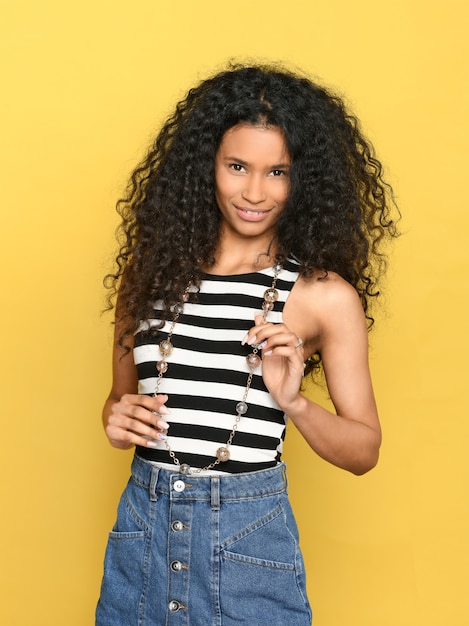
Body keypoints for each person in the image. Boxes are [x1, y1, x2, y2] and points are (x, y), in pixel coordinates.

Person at [96, 63, 398, 625]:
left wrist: (295, 402)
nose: (255, 192)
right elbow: (118, 406)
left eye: (277, 172)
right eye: (237, 166)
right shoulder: (150, 274)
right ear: (205, 165)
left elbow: (364, 451)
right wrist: (116, 421)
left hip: (245, 537)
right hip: (142, 528)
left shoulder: (321, 295)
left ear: (301, 179)